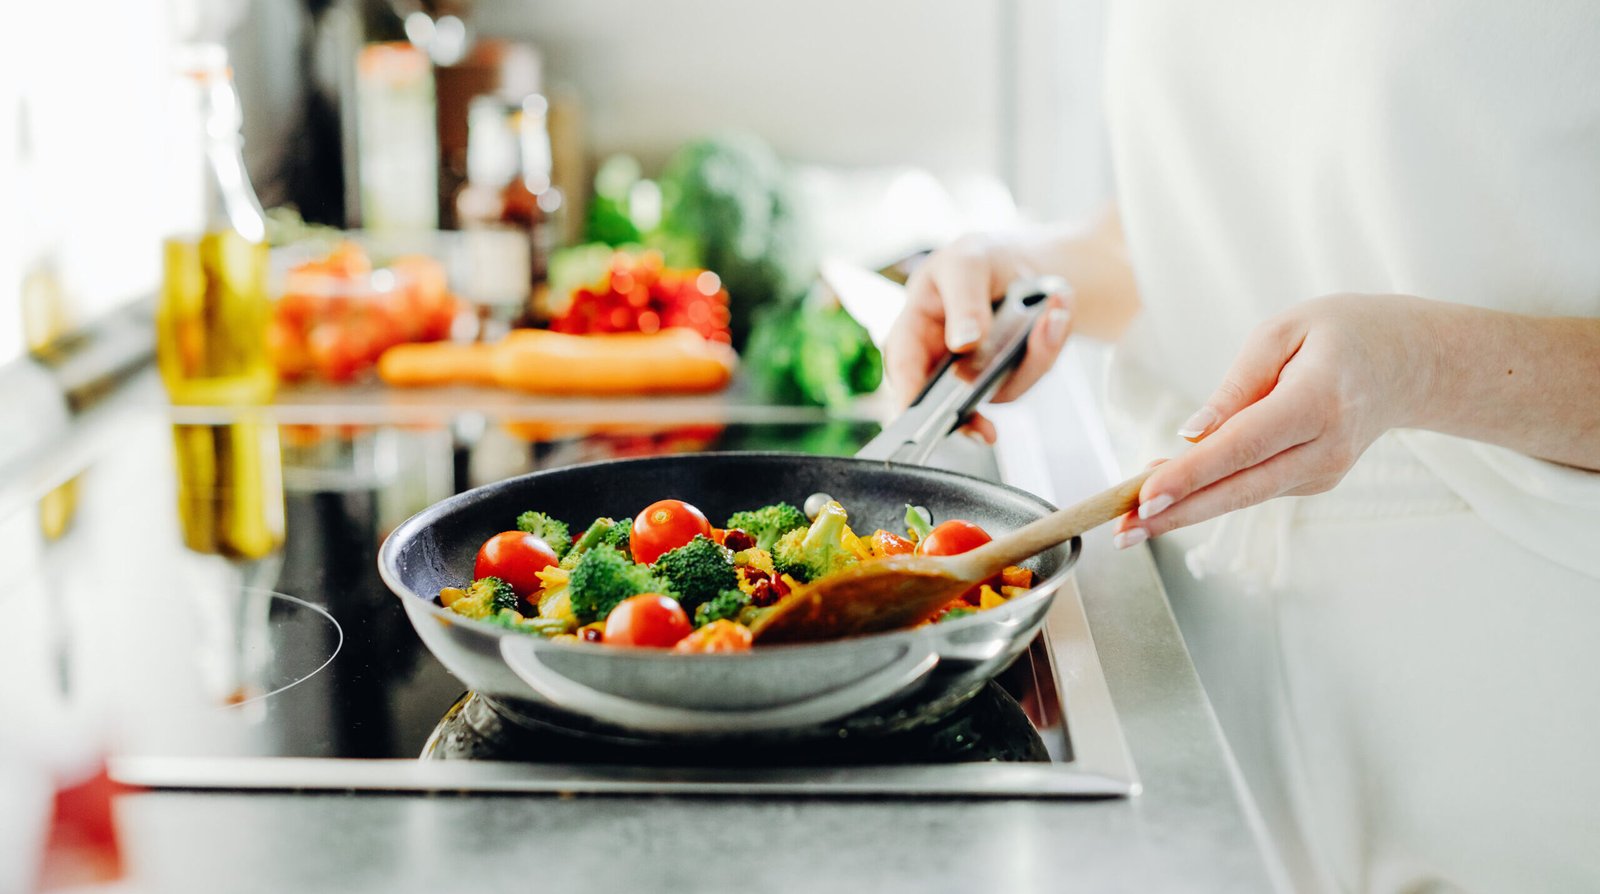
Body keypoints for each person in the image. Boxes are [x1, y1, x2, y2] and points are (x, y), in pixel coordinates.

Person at [885, 4, 1600, 893]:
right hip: (1210, 659)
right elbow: (1215, 222)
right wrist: (1035, 266)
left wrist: (1424, 367)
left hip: (1522, 697)